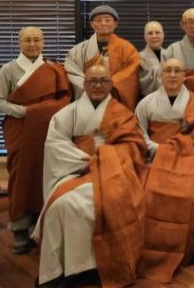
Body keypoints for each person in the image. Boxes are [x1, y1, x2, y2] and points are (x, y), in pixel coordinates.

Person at [32, 65, 147, 288]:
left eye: (103, 80)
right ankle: (62, 269)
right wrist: (87, 161)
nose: (98, 85)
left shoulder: (123, 115)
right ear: (84, 84)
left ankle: (97, 265)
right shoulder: (67, 114)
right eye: (92, 81)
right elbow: (55, 145)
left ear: (111, 84)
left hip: (115, 172)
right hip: (76, 171)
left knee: (110, 202)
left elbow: (134, 146)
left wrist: (105, 159)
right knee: (62, 205)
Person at [0, 26, 72, 254]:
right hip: (21, 130)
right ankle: (19, 229)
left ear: (43, 42)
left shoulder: (54, 69)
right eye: (27, 40)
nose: (33, 44)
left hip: (48, 130)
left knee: (45, 173)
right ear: (19, 42)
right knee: (21, 176)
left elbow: (65, 99)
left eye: (37, 39)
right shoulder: (8, 69)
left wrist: (41, 113)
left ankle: (41, 224)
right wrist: (26, 112)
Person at [135, 58, 194, 283]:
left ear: (185, 75)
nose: (173, 74)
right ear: (160, 75)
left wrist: (174, 150)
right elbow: (139, 134)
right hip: (153, 158)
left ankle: (184, 251)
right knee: (146, 193)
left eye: (178, 70)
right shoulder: (146, 103)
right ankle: (148, 253)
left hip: (187, 158)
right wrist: (158, 149)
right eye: (168, 70)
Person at [65, 5, 140, 111]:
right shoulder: (77, 51)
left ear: (115, 24)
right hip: (87, 100)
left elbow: (131, 73)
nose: (103, 23)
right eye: (98, 20)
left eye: (107, 20)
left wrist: (108, 86)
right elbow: (72, 73)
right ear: (92, 24)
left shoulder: (127, 49)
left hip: (117, 102)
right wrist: (92, 88)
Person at [139, 20, 166, 97]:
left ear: (163, 35)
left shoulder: (171, 55)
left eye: (157, 32)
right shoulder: (138, 58)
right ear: (145, 36)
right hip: (147, 100)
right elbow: (142, 83)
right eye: (150, 33)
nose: (154, 36)